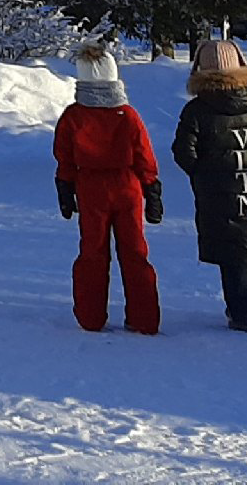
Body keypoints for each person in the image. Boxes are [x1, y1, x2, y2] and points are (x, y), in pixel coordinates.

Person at [172, 35, 247, 333]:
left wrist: (204, 174)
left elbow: (184, 152)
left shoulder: (197, 110)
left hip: (217, 195)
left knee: (230, 254)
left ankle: (242, 314)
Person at [52, 42, 162, 334]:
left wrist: (65, 188)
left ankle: (91, 317)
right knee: (135, 252)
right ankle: (144, 318)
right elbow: (144, 156)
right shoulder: (128, 115)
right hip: (128, 187)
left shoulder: (73, 116)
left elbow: (64, 156)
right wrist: (152, 190)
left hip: (90, 189)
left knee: (92, 253)